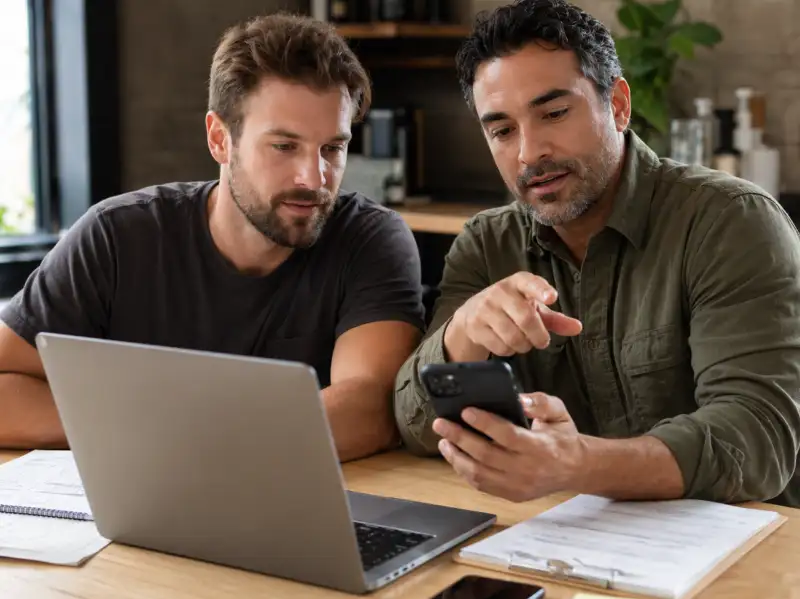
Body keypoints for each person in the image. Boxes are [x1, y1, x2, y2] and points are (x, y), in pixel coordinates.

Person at [394, 0, 800, 507]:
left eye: (554, 113)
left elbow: (757, 439)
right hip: (566, 544)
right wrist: (463, 334)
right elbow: (414, 427)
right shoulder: (485, 245)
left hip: (742, 553)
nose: (528, 152)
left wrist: (576, 464)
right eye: (502, 130)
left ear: (619, 105)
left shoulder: (730, 221)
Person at [0, 13, 425, 461]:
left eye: (332, 149)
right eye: (284, 146)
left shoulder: (369, 239)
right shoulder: (117, 237)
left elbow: (370, 409)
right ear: (220, 139)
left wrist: (183, 435)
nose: (313, 177)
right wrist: (155, 430)